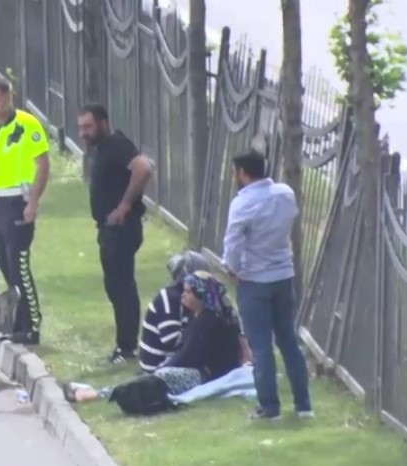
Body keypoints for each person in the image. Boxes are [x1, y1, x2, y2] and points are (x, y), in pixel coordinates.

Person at [222, 150, 313, 420]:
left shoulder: (242, 203)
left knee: (261, 346)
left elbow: (233, 242)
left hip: (254, 280)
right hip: (283, 276)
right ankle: (303, 404)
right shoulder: (285, 194)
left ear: (242, 173)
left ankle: (269, 407)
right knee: (288, 341)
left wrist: (233, 268)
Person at [64, 271, 244, 403]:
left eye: (188, 292)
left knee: (159, 377)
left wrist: (162, 369)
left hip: (207, 375)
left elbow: (188, 356)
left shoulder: (207, 321)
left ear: (200, 296)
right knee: (155, 377)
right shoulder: (205, 316)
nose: (183, 294)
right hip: (205, 371)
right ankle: (99, 392)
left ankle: (96, 394)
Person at [0, 75, 50, 345]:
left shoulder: (28, 125)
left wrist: (33, 202)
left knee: (19, 267)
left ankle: (32, 325)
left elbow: (43, 164)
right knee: (5, 265)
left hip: (18, 203)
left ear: (8, 98)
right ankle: (18, 323)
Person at [77, 104, 154, 364]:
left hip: (121, 229)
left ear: (102, 123)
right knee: (115, 285)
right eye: (80, 128)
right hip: (108, 229)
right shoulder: (101, 150)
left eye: (88, 127)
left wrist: (124, 206)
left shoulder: (116, 144)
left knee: (121, 286)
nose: (82, 133)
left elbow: (143, 168)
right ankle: (125, 345)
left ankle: (127, 347)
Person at [138, 250, 211, 373]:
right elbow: (170, 340)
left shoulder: (188, 299)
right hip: (158, 366)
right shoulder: (170, 298)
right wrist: (198, 330)